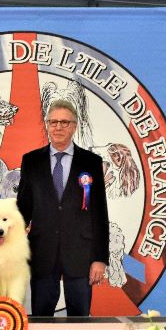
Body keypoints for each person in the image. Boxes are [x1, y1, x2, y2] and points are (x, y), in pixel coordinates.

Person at [17, 99, 109, 317]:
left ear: (74, 126)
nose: (58, 127)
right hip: (41, 252)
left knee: (79, 319)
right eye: (53, 122)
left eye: (64, 122)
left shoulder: (92, 162)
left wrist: (100, 258)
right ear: (47, 125)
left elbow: (100, 213)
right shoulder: (31, 161)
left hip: (80, 255)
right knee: (40, 317)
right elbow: (23, 209)